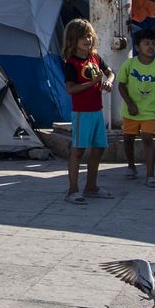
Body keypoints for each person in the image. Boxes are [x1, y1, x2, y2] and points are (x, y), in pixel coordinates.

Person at [61, 18, 114, 204]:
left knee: (98, 148)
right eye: (83, 37)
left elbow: (110, 72)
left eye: (90, 36)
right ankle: (72, 190)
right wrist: (92, 83)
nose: (88, 40)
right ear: (73, 40)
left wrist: (108, 82)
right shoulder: (71, 63)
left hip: (96, 111)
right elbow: (71, 89)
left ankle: (91, 187)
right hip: (82, 113)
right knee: (78, 151)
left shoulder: (95, 58)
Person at [117, 30, 155, 186]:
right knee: (128, 139)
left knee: (147, 139)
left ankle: (150, 176)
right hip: (130, 111)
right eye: (146, 43)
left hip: (150, 112)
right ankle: (131, 167)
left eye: (153, 43)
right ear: (137, 47)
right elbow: (121, 86)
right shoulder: (129, 64)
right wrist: (130, 104)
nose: (151, 46)